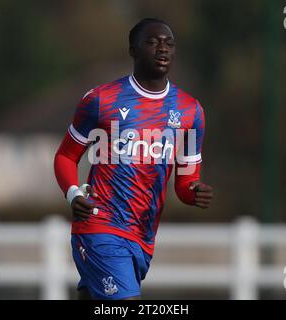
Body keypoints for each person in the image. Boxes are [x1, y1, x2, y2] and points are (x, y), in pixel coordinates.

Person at [54, 18, 213, 300]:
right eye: (152, 42)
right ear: (133, 50)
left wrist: (194, 191)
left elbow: (185, 180)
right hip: (99, 227)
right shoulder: (102, 100)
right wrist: (73, 194)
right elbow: (66, 156)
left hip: (141, 236)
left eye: (169, 44)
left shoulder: (190, 111)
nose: (162, 49)